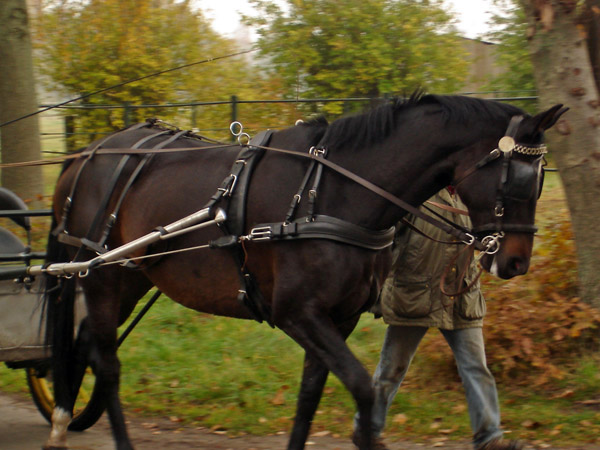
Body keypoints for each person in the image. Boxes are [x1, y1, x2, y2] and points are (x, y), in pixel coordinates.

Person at [353, 188, 523, 450]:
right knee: (392, 369)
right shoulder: (418, 191)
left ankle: (489, 438)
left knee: (476, 368)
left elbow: (488, 237)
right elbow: (385, 241)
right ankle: (366, 431)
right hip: (414, 296)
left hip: (461, 296)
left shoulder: (473, 196)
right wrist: (380, 290)